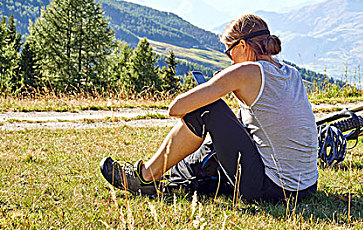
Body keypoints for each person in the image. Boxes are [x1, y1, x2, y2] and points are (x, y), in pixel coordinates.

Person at [100, 14, 318, 202]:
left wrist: (213, 87)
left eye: (229, 52)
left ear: (242, 45)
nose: (230, 60)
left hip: (272, 190)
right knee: (220, 119)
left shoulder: (246, 71)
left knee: (207, 109)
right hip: (307, 186)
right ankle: (173, 176)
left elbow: (176, 108)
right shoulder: (291, 73)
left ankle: (144, 177)